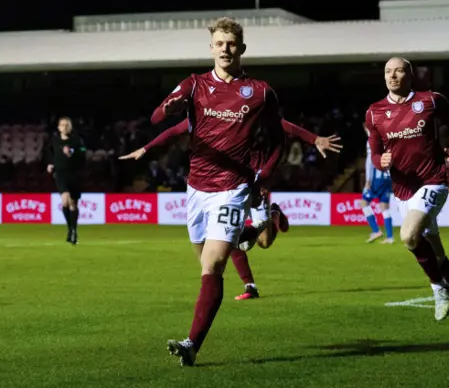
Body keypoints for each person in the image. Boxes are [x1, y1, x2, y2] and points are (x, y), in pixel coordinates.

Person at [147, 17, 294, 366]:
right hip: (196, 189)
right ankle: (262, 223)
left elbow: (278, 140)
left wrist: (264, 177)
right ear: (210, 48)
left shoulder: (259, 92)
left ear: (241, 48)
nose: (225, 49)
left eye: (231, 44)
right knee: (205, 268)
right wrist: (166, 109)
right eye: (219, 44)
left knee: (213, 264)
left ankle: (191, 344)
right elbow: (156, 118)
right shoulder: (194, 85)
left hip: (234, 188)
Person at [120, 118, 341, 301]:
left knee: (264, 242)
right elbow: (175, 130)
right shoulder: (209, 115)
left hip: (256, 181)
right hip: (228, 185)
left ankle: (273, 214)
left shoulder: (252, 114)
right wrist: (146, 148)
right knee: (227, 235)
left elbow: (285, 127)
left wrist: (315, 139)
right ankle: (250, 286)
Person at [365, 57, 449, 335]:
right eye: (388, 71)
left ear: (410, 75)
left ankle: (438, 288)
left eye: (399, 70)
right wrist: (382, 161)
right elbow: (375, 153)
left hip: (432, 182)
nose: (392, 76)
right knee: (437, 255)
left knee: (408, 236)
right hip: (403, 191)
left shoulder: (430, 100)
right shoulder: (374, 112)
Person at [46, 117, 86, 245]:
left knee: (73, 204)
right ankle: (71, 230)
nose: (65, 127)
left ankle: (72, 230)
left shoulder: (76, 141)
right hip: (60, 174)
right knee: (65, 200)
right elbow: (48, 153)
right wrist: (50, 163)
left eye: (67, 125)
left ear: (70, 127)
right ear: (58, 128)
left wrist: (73, 153)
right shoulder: (54, 141)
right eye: (62, 125)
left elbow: (83, 153)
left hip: (74, 174)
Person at [361, 131, 394, 244]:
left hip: (377, 178)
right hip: (388, 178)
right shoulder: (389, 138)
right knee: (384, 207)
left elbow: (369, 161)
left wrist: (368, 180)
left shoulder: (372, 140)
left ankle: (376, 230)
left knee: (364, 203)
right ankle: (390, 237)